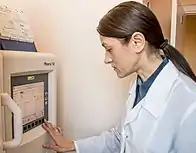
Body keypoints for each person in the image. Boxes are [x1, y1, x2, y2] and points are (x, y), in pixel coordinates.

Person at [42, 1, 196, 153]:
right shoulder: (140, 84)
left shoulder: (189, 102)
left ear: (137, 42)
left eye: (109, 49)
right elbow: (121, 138)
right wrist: (73, 145)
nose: (106, 59)